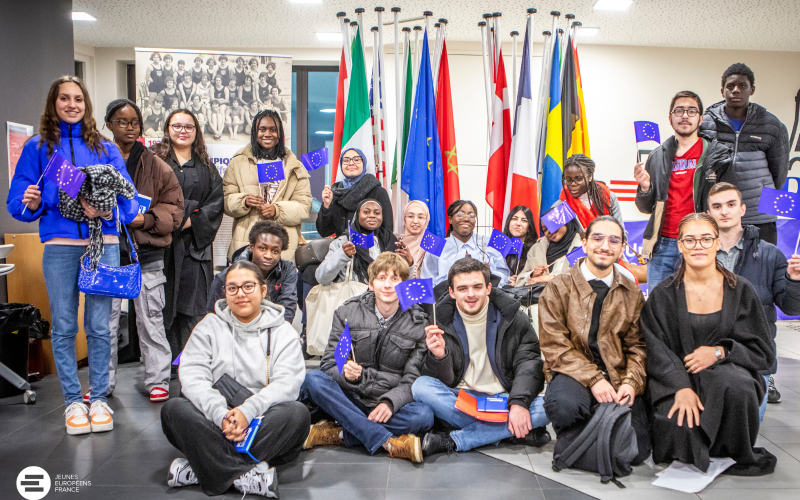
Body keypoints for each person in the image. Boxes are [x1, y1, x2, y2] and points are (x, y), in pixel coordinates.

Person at [7, 76, 139, 434]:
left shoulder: (105, 148)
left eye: (78, 99)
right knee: (64, 326)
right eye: (64, 98)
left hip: (104, 246)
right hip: (61, 247)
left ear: (86, 104)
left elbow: (130, 200)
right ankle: (71, 402)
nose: (72, 104)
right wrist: (30, 202)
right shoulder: (38, 148)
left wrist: (107, 210)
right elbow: (19, 202)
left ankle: (98, 398)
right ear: (53, 103)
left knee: (99, 326)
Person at [642, 213, 777, 476]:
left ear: (717, 243)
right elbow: (656, 349)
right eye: (690, 240)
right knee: (678, 424)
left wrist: (719, 352)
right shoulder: (663, 295)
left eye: (706, 239)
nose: (698, 246)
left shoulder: (741, 290)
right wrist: (680, 387)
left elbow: (761, 348)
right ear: (680, 245)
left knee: (736, 387)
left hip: (729, 372)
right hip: (677, 376)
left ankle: (731, 450)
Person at [161, 261, 309, 497]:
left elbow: (287, 384)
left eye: (248, 286)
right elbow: (193, 376)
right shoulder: (208, 326)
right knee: (174, 409)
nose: (240, 294)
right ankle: (245, 475)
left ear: (263, 290)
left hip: (260, 419)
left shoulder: (284, 333)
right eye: (232, 288)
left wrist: (247, 411)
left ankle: (203, 466)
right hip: (216, 419)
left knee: (297, 414)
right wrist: (221, 415)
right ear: (225, 293)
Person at [301, 252, 433, 462]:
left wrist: (390, 403)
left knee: (424, 414)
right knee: (312, 380)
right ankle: (386, 440)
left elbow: (411, 380)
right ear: (371, 285)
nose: (388, 285)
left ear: (405, 284)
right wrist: (345, 374)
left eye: (395, 278)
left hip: (387, 400)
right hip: (351, 397)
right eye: (381, 278)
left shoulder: (418, 324)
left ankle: (340, 433)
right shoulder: (347, 313)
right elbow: (329, 364)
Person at [538, 216, 650, 463]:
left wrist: (631, 382)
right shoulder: (559, 287)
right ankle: (598, 438)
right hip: (572, 372)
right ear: (585, 243)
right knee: (563, 407)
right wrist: (595, 380)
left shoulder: (632, 293)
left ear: (622, 248)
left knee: (639, 450)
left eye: (613, 240)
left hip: (618, 373)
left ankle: (581, 444)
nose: (605, 246)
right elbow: (555, 347)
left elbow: (637, 346)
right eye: (598, 238)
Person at [412, 257, 551, 455]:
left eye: (477, 287)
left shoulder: (512, 316)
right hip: (462, 398)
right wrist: (440, 356)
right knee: (421, 387)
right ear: (451, 292)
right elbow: (443, 380)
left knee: (551, 405)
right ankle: (508, 432)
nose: (471, 294)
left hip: (504, 397)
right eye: (462, 289)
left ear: (488, 288)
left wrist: (519, 403)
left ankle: (455, 440)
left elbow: (528, 363)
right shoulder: (439, 320)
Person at [104, 99, 184, 403]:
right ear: (109, 125)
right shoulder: (98, 160)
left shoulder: (156, 166)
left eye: (135, 122)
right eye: (122, 121)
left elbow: (174, 209)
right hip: (108, 255)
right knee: (106, 323)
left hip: (146, 255)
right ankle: (103, 381)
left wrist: (146, 219)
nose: (129, 127)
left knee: (151, 321)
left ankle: (158, 379)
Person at [707, 182, 800, 413]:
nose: (724, 211)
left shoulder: (770, 254)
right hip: (707, 358)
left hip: (754, 360)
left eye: (731, 204)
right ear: (708, 213)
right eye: (717, 206)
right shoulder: (698, 253)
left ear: (743, 209)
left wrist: (795, 281)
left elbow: (790, 308)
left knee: (744, 441)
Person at [634, 90, 734, 288]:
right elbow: (646, 207)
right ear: (670, 118)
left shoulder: (718, 155)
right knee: (659, 309)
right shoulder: (657, 156)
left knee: (698, 306)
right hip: (663, 244)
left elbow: (728, 203)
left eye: (691, 111)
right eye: (679, 111)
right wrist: (645, 188)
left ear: (700, 118)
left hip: (700, 244)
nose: (685, 115)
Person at [152, 109, 224, 370]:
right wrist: (169, 221)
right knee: (161, 306)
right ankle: (164, 366)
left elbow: (216, 204)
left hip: (194, 247)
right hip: (160, 245)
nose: (183, 131)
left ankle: (190, 364)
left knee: (191, 307)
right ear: (167, 128)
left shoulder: (205, 167)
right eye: (177, 126)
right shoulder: (154, 161)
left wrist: (187, 220)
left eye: (189, 127)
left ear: (196, 132)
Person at [700, 63, 790, 246]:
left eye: (742, 86)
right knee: (723, 269)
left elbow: (779, 172)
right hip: (720, 213)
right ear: (722, 90)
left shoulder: (772, 125)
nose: (735, 90)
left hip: (760, 214)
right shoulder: (705, 123)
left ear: (752, 90)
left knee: (763, 269)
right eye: (730, 86)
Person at [223, 108, 311, 261]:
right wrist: (244, 201)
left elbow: (304, 208)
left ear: (280, 133)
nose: (267, 134)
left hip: (283, 248)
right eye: (262, 129)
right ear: (254, 132)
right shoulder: (237, 162)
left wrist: (277, 210)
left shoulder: (294, 166)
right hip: (246, 245)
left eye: (273, 130)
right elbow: (225, 201)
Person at [207, 221, 298, 323]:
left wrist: (275, 334)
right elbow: (213, 314)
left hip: (273, 329)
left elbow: (288, 308)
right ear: (251, 247)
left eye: (275, 251)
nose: (268, 255)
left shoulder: (287, 269)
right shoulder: (226, 276)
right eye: (262, 248)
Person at [316, 199, 413, 285]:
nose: (372, 216)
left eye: (377, 213)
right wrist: (342, 255)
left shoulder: (391, 240)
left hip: (385, 299)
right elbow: (322, 278)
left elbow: (403, 284)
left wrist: (409, 264)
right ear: (357, 215)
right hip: (353, 300)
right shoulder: (343, 242)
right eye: (366, 212)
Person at [420, 200, 511, 288]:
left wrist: (490, 274)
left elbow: (505, 277)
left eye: (471, 215)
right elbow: (427, 282)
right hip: (447, 300)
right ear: (450, 219)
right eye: (460, 214)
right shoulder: (436, 247)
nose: (466, 218)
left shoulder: (489, 244)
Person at [317, 147, 393, 238]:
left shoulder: (378, 192)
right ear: (341, 165)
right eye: (346, 160)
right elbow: (324, 231)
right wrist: (326, 205)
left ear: (364, 163)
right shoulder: (335, 193)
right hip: (341, 249)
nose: (351, 163)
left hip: (369, 248)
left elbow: (387, 230)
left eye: (356, 160)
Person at [515, 215, 583, 286]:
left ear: (566, 223)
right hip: (537, 296)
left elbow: (583, 279)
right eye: (545, 229)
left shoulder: (583, 246)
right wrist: (532, 275)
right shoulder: (536, 248)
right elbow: (519, 282)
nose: (549, 231)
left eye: (552, 225)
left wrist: (548, 278)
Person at [561, 154, 624, 229]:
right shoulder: (561, 203)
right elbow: (551, 237)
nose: (573, 184)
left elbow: (621, 234)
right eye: (568, 180)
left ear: (590, 176)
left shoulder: (609, 197)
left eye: (579, 179)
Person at [503, 205, 538, 284]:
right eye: (514, 219)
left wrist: (520, 281)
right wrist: (506, 279)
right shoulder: (500, 246)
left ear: (529, 227)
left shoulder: (536, 248)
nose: (518, 223)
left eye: (524, 220)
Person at [396, 200, 430, 279]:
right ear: (404, 218)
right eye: (410, 216)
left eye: (420, 217)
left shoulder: (433, 243)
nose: (415, 221)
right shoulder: (395, 240)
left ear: (426, 220)